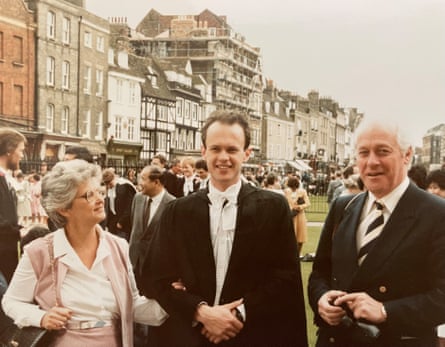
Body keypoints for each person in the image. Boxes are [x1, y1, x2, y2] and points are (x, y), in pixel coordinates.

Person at [141, 110, 308, 347]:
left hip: (250, 335)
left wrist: (237, 313)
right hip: (189, 337)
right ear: (203, 152)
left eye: (232, 150)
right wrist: (201, 312)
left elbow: (285, 277)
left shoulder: (272, 207)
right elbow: (153, 277)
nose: (223, 157)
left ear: (247, 154)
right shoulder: (177, 211)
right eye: (215, 149)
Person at [308, 117, 445, 347]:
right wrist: (321, 298)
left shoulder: (437, 214)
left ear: (407, 155)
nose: (371, 162)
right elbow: (319, 273)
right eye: (363, 153)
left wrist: (385, 310)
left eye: (383, 151)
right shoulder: (343, 207)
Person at [1, 159, 167, 347]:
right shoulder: (39, 252)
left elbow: (133, 306)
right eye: (89, 195)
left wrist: (174, 301)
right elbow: (11, 302)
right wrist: (42, 317)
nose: (99, 199)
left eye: (99, 192)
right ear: (64, 208)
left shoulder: (118, 246)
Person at [128, 165, 175, 347]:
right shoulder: (138, 199)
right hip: (135, 263)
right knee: (134, 303)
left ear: (156, 182)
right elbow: (135, 229)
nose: (139, 183)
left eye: (143, 179)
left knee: (153, 306)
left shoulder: (173, 204)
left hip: (156, 268)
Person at [0, 128, 26, 283]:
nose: (21, 155)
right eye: (20, 150)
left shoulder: (6, 177)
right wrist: (17, 231)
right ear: (9, 150)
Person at [102, 168, 137, 241]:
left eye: (110, 183)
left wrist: (121, 221)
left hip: (123, 223)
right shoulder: (109, 188)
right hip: (113, 222)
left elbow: (130, 206)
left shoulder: (125, 186)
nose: (108, 186)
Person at [284, 176, 310, 257]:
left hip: (300, 215)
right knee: (290, 236)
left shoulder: (302, 192)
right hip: (291, 215)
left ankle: (298, 254)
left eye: (294, 187)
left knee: (300, 236)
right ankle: (289, 254)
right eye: (292, 187)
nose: (293, 189)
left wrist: (300, 207)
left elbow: (308, 203)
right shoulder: (286, 192)